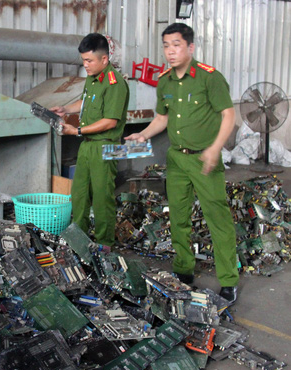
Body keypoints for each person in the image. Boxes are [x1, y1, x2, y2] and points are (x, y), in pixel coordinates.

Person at [125, 23, 239, 303]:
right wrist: (142, 134)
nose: (170, 51)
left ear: (190, 47)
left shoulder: (209, 78)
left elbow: (228, 115)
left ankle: (228, 280)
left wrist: (214, 149)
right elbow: (162, 119)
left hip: (205, 159)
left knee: (218, 219)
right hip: (176, 159)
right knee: (178, 216)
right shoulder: (164, 81)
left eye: (176, 45)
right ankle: (184, 270)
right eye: (166, 45)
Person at [50, 33, 129, 247]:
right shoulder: (93, 78)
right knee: (79, 195)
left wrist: (76, 131)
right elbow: (85, 102)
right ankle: (79, 239)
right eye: (83, 60)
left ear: (104, 59)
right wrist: (65, 108)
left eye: (89, 60)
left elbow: (110, 121)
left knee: (103, 198)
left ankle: (105, 245)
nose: (85, 65)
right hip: (87, 145)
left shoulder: (115, 83)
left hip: (107, 146)